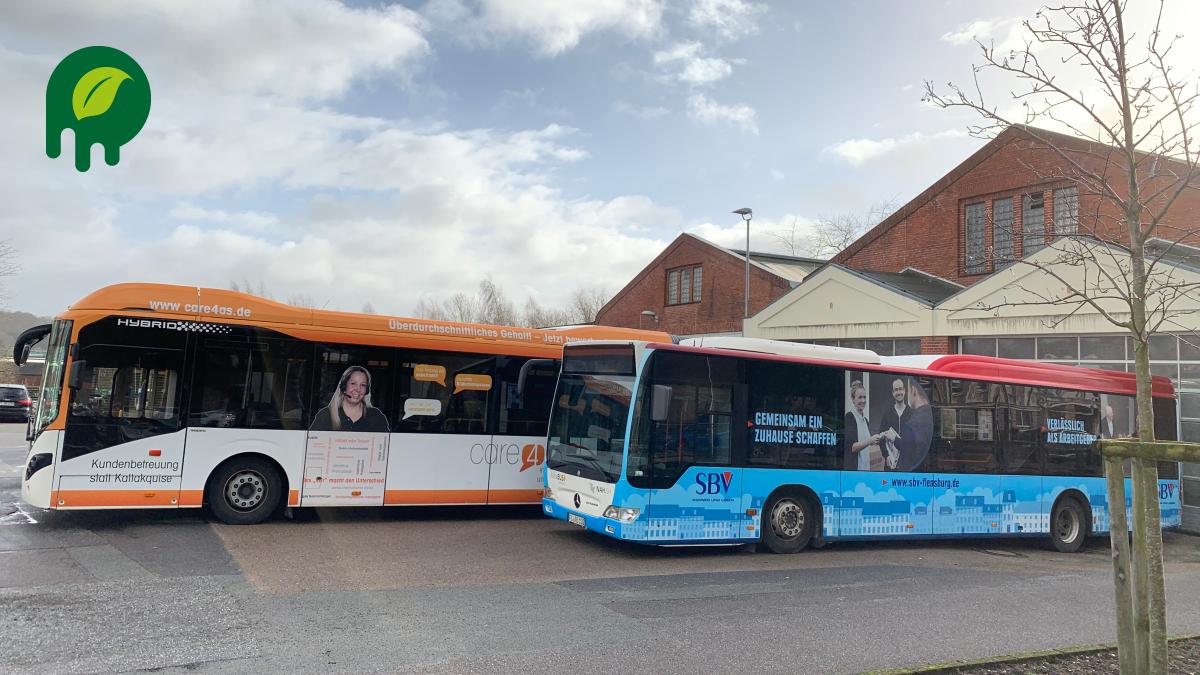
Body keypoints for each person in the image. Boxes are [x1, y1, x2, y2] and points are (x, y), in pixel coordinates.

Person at [309, 365, 390, 433]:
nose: (358, 389)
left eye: (363, 385)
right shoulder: (326, 415)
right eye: (353, 383)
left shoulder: (376, 416)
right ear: (343, 386)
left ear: (367, 390)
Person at [892, 379, 934, 471]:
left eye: (907, 391)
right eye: (896, 390)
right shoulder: (931, 416)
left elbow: (906, 459)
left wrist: (894, 439)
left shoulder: (912, 424)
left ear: (914, 390)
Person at [844, 380, 884, 471]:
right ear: (853, 399)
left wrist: (878, 438)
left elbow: (866, 442)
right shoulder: (850, 417)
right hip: (855, 470)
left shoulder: (865, 420)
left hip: (865, 470)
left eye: (864, 397)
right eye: (860, 397)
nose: (863, 400)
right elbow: (852, 447)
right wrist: (870, 440)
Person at [877, 377, 911, 469]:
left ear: (904, 391)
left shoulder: (912, 414)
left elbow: (913, 443)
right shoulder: (887, 414)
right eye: (896, 390)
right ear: (892, 393)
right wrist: (886, 455)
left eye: (900, 389)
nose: (898, 392)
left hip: (906, 465)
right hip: (890, 464)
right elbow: (881, 438)